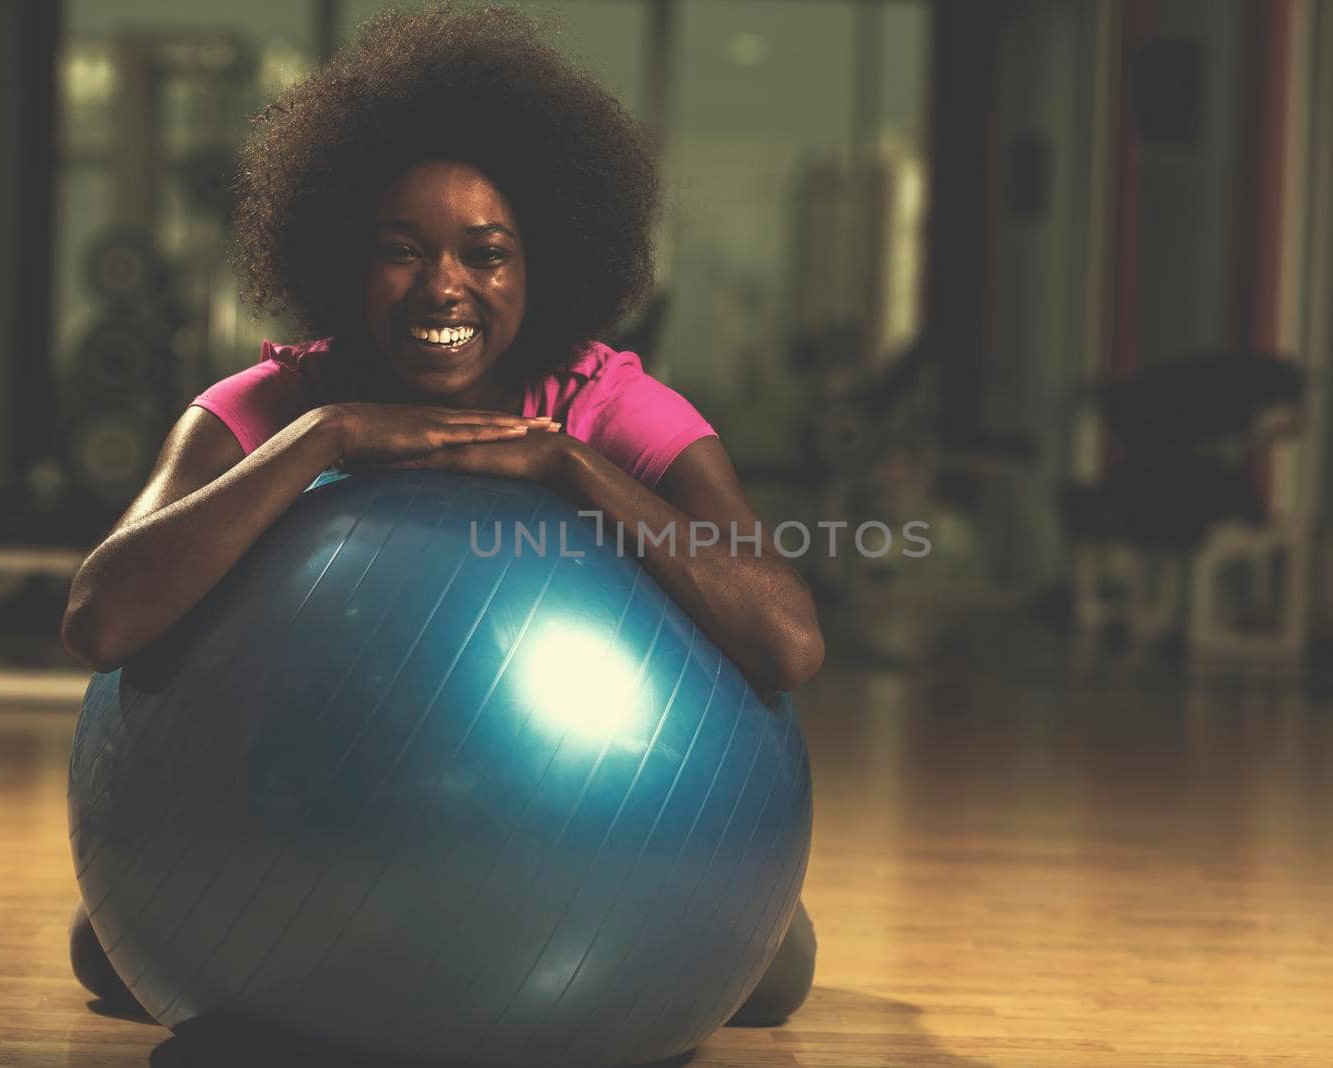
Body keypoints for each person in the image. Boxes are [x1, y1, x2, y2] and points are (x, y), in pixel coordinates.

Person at [61, 3, 821, 1031]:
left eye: (487, 252)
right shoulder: (269, 407)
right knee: (110, 955)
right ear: (342, 256)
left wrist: (567, 463)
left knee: (768, 978)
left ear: (539, 262)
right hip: (305, 838)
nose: (444, 286)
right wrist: (323, 439)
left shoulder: (610, 407)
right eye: (402, 249)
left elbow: (787, 639)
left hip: (595, 853)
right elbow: (102, 619)